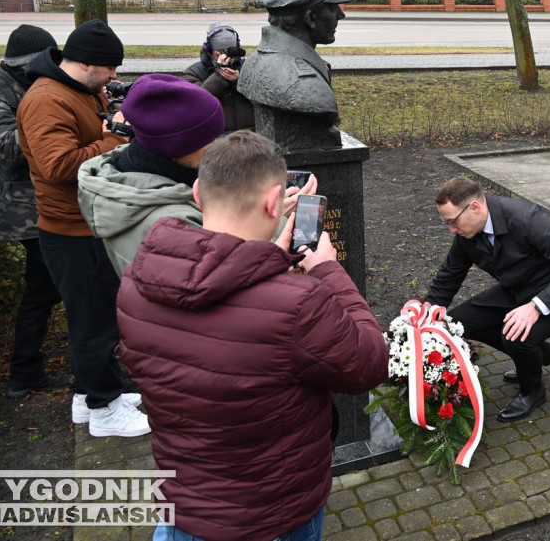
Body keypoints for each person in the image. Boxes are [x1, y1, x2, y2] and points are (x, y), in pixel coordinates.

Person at [116, 130, 387, 541]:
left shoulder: (137, 284)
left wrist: (271, 257)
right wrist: (329, 271)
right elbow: (369, 363)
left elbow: (214, 302)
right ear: (273, 202)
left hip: (184, 508)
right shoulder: (297, 304)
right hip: (269, 516)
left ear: (198, 194)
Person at [16, 20, 148, 438]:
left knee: (94, 316)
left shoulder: (76, 90)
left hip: (86, 222)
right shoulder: (46, 100)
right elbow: (57, 167)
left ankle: (87, 395)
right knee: (94, 322)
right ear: (88, 63)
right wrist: (114, 140)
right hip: (71, 228)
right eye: (110, 68)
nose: (114, 76)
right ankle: (105, 409)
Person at [423, 177, 550, 422]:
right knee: (458, 324)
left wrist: (537, 306)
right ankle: (540, 353)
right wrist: (428, 308)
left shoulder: (528, 219)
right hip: (517, 290)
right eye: (447, 223)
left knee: (514, 335)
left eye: (453, 221)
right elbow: (450, 274)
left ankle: (532, 391)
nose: (452, 229)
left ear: (474, 208)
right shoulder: (467, 232)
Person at [0, 25, 66, 398]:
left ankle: (26, 372)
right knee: (46, 289)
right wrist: (47, 115)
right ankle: (25, 374)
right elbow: (8, 150)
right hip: (21, 209)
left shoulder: (29, 87)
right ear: (27, 63)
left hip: (45, 201)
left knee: (46, 288)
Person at [78, 74, 225, 276]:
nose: (217, 145)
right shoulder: (175, 223)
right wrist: (271, 222)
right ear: (181, 146)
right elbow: (221, 282)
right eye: (210, 138)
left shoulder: (125, 172)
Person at [239, 0, 360, 149]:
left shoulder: (253, 63)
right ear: (311, 18)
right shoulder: (305, 87)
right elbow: (317, 103)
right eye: (332, 7)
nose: (340, 14)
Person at [182, 21, 255, 132]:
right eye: (220, 52)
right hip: (214, 137)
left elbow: (264, 97)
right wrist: (219, 77)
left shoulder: (249, 68)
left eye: (230, 52)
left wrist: (239, 81)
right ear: (209, 50)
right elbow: (196, 103)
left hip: (250, 135)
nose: (226, 56)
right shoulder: (194, 72)